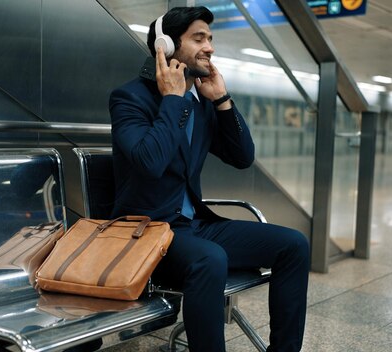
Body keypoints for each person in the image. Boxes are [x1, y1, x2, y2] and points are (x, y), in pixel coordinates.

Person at [108, 6, 309, 352]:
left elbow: (242, 157)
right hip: (146, 231)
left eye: (211, 39)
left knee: (294, 245)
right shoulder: (130, 99)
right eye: (199, 38)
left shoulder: (198, 102)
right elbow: (150, 161)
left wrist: (222, 101)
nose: (210, 47)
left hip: (193, 226)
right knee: (210, 257)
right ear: (166, 46)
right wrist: (171, 98)